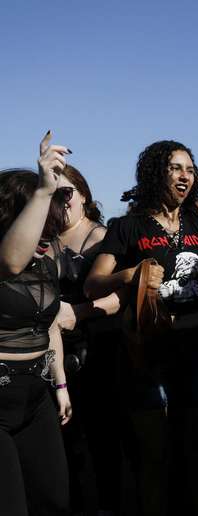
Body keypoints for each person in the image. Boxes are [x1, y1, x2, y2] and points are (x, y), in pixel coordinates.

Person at [84, 57, 198, 516]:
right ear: (157, 173)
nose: (185, 175)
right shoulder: (127, 226)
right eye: (175, 168)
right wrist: (128, 274)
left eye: (189, 168)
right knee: (154, 459)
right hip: (146, 351)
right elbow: (93, 283)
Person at [0, 133, 73, 516]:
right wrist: (43, 189)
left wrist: (60, 383)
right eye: (40, 221)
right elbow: (11, 262)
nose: (48, 233)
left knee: (54, 501)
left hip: (35, 394)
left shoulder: (46, 262)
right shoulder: (5, 259)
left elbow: (50, 328)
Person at [52, 164, 124, 515]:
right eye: (52, 193)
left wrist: (78, 313)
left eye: (66, 192)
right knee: (64, 441)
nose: (60, 201)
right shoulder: (41, 237)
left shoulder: (103, 237)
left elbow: (123, 297)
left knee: (101, 438)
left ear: (83, 194)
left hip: (98, 349)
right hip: (52, 352)